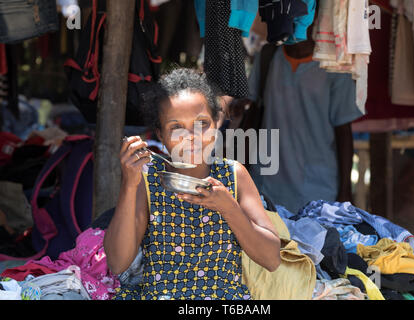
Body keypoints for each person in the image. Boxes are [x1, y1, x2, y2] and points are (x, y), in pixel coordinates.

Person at [103, 68, 281, 300]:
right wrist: (129, 183)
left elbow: (272, 259)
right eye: (176, 127)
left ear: (217, 124)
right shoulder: (148, 179)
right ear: (161, 134)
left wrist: (228, 207)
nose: (191, 136)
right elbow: (117, 263)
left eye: (202, 123)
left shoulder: (234, 175)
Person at [246, 26, 363, 215]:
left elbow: (343, 131)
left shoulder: (335, 65)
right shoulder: (268, 56)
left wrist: (345, 191)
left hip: (318, 188)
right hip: (266, 185)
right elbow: (253, 114)